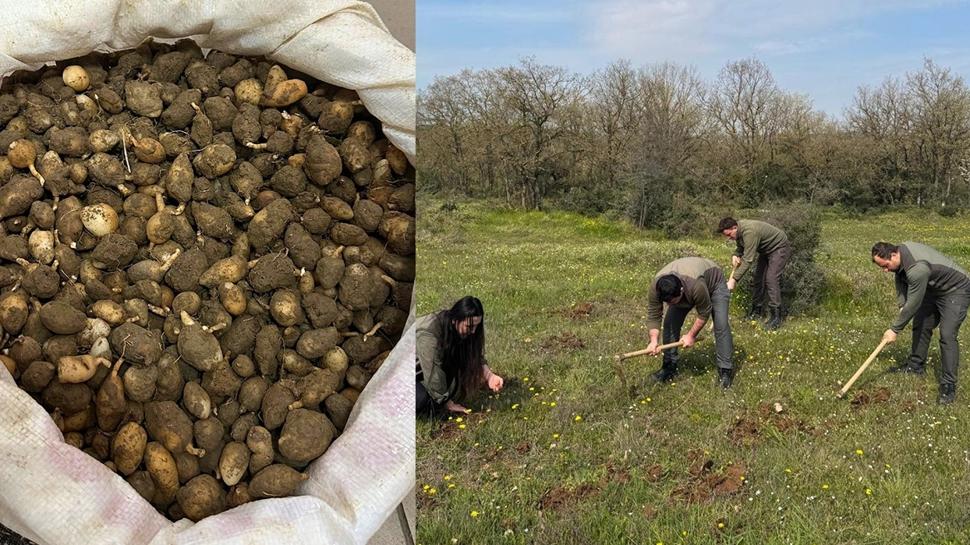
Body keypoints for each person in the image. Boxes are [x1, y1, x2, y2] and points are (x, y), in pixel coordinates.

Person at [871, 242, 970, 405]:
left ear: (894, 255)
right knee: (921, 324)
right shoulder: (900, 255)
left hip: (956, 289)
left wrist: (894, 329)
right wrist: (902, 304)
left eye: (886, 265)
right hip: (933, 289)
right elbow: (900, 277)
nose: (885, 270)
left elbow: (914, 303)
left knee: (947, 334)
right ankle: (916, 366)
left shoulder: (917, 269)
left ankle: (948, 384)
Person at [645, 257, 735, 388]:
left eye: (672, 302)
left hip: (714, 284)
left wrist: (691, 335)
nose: (669, 305)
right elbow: (654, 315)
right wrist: (653, 341)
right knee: (670, 323)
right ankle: (669, 367)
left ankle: (725, 371)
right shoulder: (656, 287)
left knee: (721, 325)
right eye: (667, 302)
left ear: (681, 291)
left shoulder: (696, 286)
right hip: (686, 287)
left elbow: (704, 312)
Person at [416, 296, 504, 415]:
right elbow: (433, 370)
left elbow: (474, 355)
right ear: (455, 319)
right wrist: (447, 402)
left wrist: (489, 376)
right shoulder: (428, 333)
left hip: (424, 370)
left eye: (476, 326)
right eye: (469, 327)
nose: (473, 331)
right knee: (423, 401)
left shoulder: (458, 327)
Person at [718, 217, 792, 330]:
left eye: (729, 235)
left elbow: (748, 260)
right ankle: (756, 312)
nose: (729, 238)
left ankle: (776, 317)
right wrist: (736, 254)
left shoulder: (750, 231)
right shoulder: (739, 231)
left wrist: (733, 280)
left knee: (771, 279)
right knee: (759, 280)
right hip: (766, 250)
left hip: (779, 248)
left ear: (734, 227)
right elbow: (741, 246)